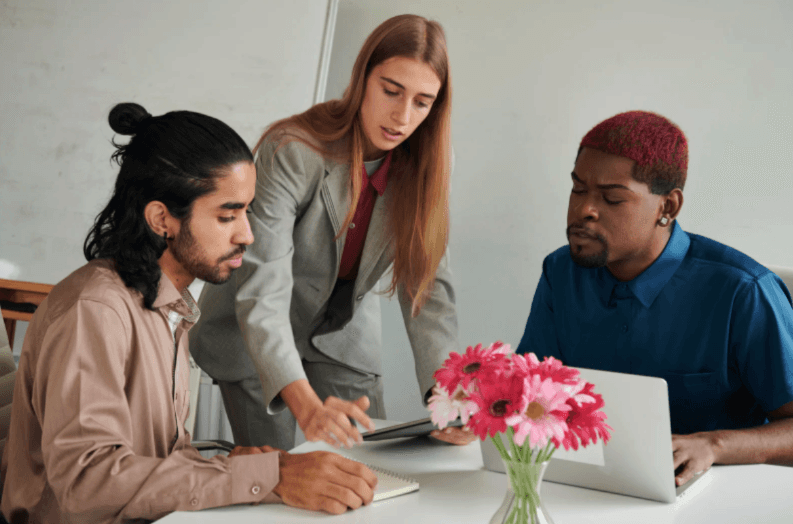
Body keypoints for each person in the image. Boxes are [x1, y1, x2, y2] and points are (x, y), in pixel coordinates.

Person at [0, 103, 377, 523]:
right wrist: (260, 477)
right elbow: (88, 482)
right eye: (227, 215)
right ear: (162, 218)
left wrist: (231, 468)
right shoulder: (95, 312)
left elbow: (153, 463)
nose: (247, 234)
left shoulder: (168, 307)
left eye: (247, 211)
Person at [190, 14, 473, 450]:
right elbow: (263, 288)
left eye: (422, 101)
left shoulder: (431, 163)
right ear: (362, 79)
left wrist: (446, 398)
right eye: (391, 91)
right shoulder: (293, 149)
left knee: (369, 468)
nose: (402, 116)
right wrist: (306, 407)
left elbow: (428, 289)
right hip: (255, 335)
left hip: (342, 337)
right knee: (283, 476)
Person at [516, 110, 793, 487]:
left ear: (668, 207)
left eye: (612, 199)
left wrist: (715, 445)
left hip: (715, 500)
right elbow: (530, 391)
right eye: (578, 189)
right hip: (590, 490)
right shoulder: (561, 273)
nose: (584, 211)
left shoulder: (743, 291)